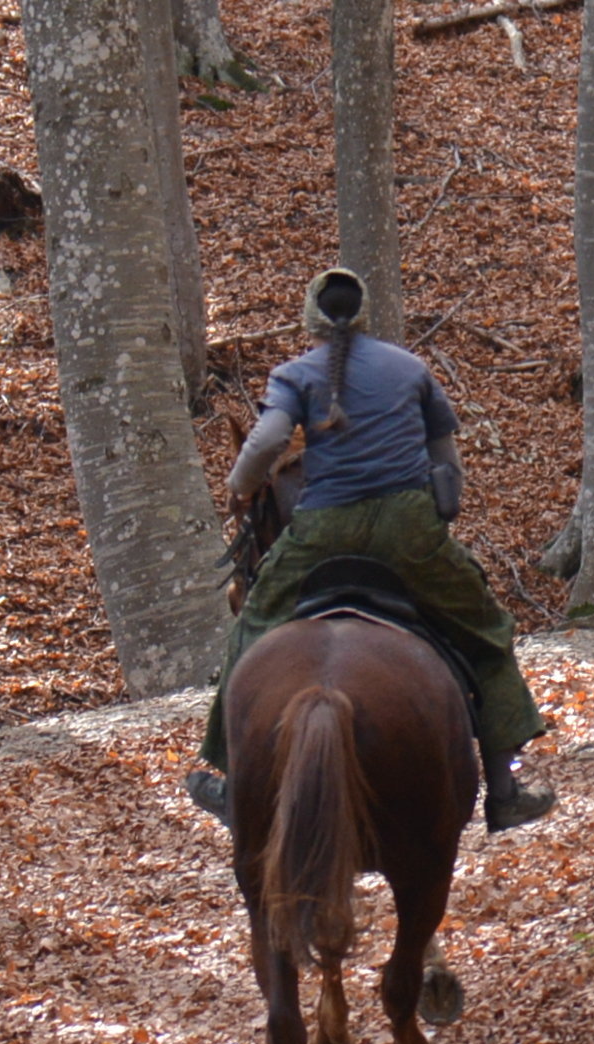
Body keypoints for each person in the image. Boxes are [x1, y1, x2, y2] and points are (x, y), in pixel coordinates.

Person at [186, 270, 557, 831]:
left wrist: (239, 485)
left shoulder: (295, 374)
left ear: (309, 320)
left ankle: (234, 782)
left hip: (323, 530)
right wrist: (437, 511)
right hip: (409, 528)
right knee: (485, 629)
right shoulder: (411, 369)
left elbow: (266, 442)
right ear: (365, 315)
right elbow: (447, 461)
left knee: (253, 628)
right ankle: (504, 788)